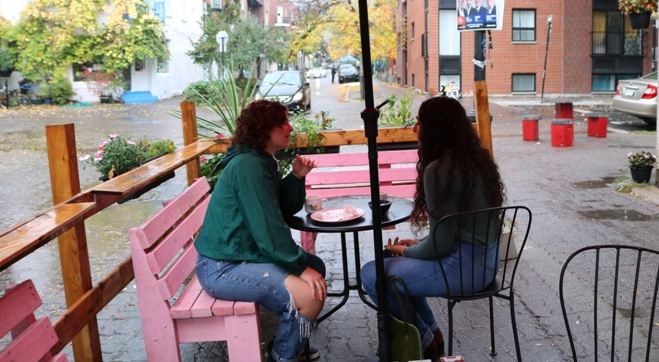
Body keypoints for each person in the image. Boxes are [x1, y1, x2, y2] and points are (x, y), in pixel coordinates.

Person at [360, 97, 506, 360]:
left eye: (420, 122)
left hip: (463, 270)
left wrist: (404, 252)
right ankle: (433, 334)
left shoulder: (439, 170)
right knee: (387, 260)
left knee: (372, 275)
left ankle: (424, 342)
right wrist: (416, 246)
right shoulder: (477, 160)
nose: (415, 128)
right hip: (488, 265)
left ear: (436, 127)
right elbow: (452, 233)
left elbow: (441, 246)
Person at [194, 100, 327, 362]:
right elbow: (268, 228)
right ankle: (283, 355)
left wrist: (297, 177)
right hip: (223, 267)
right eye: (282, 123)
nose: (290, 127)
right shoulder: (249, 166)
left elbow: (282, 211)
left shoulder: (262, 160)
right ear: (264, 129)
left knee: (316, 267)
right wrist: (299, 267)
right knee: (311, 296)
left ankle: (289, 343)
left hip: (243, 255)